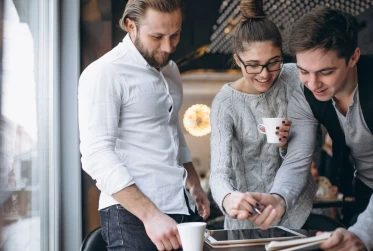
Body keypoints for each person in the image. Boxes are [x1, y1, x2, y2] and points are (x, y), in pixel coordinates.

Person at [78, 1, 210, 250]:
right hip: (133, 215)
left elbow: (172, 130)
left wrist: (193, 181)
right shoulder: (105, 72)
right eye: (157, 36)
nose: (168, 46)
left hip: (181, 205)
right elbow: (96, 154)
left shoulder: (171, 70)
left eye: (175, 35)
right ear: (131, 26)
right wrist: (150, 215)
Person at [252, 6, 373, 251]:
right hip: (365, 189)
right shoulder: (305, 90)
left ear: (353, 57)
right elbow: (298, 155)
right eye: (303, 71)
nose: (313, 83)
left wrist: (363, 233)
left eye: (326, 72)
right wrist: (279, 198)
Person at [209, 0, 316, 230]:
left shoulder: (293, 78)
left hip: (296, 212)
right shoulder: (225, 103)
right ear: (237, 60)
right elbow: (218, 172)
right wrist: (228, 198)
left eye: (273, 62)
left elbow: (303, 148)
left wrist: (286, 144)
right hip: (246, 218)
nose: (265, 74)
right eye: (253, 65)